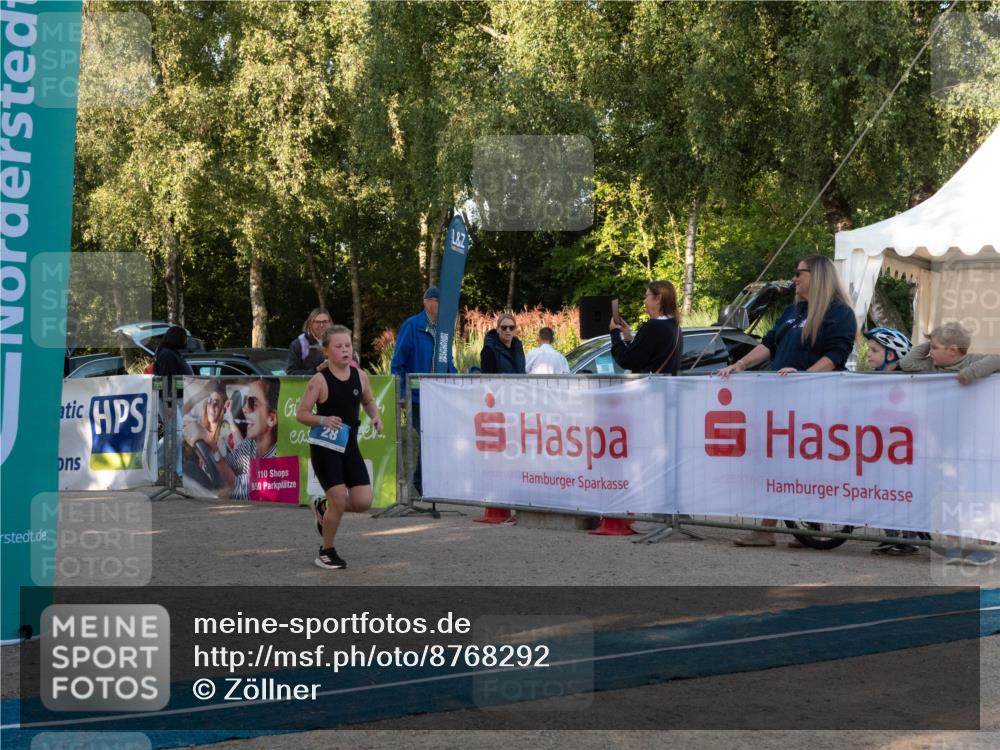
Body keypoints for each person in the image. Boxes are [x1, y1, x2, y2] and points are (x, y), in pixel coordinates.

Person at [716, 255, 857, 547]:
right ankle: (774, 528)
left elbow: (835, 355)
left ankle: (788, 528)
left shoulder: (839, 312)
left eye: (799, 273)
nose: (794, 278)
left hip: (813, 401)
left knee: (802, 464)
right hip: (780, 401)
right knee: (775, 461)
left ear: (817, 276)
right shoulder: (793, 311)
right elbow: (768, 345)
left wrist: (804, 376)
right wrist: (739, 365)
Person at [899, 321, 1000, 566]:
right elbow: (906, 363)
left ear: (953, 350)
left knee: (974, 494)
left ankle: (982, 548)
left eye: (935, 347)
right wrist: (930, 340)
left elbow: (997, 360)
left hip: (972, 441)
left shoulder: (970, 361)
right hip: (941, 442)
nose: (930, 351)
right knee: (948, 493)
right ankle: (955, 546)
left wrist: (972, 373)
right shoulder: (929, 365)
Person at [297, 325, 383, 570]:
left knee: (363, 502)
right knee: (339, 501)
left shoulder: (360, 376)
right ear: (327, 351)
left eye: (348, 345)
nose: (345, 350)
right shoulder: (319, 381)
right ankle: (326, 551)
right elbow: (301, 414)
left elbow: (367, 400)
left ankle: (322, 506)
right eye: (339, 346)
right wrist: (322, 419)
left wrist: (375, 416)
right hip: (325, 449)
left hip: (349, 447)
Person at [862, 327, 923, 556]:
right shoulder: (875, 381)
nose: (868, 354)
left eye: (874, 350)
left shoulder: (905, 384)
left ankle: (909, 538)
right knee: (885, 492)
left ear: (892, 355)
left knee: (903, 493)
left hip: (905, 452)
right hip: (884, 450)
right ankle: (891, 536)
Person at [390, 286, 454, 496]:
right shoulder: (412, 326)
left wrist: (459, 381)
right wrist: (400, 392)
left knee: (435, 437)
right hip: (416, 396)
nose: (444, 306)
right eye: (439, 301)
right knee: (429, 436)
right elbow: (398, 362)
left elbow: (448, 363)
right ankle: (419, 484)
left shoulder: (444, 329)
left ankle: (424, 483)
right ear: (427, 303)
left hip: (438, 396)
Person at [207, 378, 279, 501]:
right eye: (245, 401)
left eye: (252, 403)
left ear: (271, 419)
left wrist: (209, 444)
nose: (244, 408)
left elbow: (234, 488)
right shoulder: (250, 444)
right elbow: (228, 463)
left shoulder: (279, 457)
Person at [609, 280, 682, 375]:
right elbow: (645, 356)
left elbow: (627, 361)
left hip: (652, 388)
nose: (644, 301)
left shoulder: (653, 327)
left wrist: (614, 333)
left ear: (658, 298)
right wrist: (628, 338)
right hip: (665, 388)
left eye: (646, 296)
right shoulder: (674, 326)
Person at [181, 380, 236, 490]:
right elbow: (180, 416)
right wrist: (202, 393)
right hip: (199, 481)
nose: (212, 405)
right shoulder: (201, 423)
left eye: (217, 403)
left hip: (216, 484)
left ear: (222, 409)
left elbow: (237, 451)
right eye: (210, 401)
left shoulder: (226, 432)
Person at [287, 308, 333, 375]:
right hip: (311, 384)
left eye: (325, 321)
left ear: (330, 323)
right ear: (310, 323)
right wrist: (317, 369)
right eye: (317, 322)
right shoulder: (299, 344)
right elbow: (291, 373)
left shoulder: (338, 341)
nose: (321, 325)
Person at [153, 325, 194, 391]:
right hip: (174, 398)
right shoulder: (167, 354)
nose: (186, 341)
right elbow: (169, 379)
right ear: (177, 338)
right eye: (184, 338)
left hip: (179, 396)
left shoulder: (172, 353)